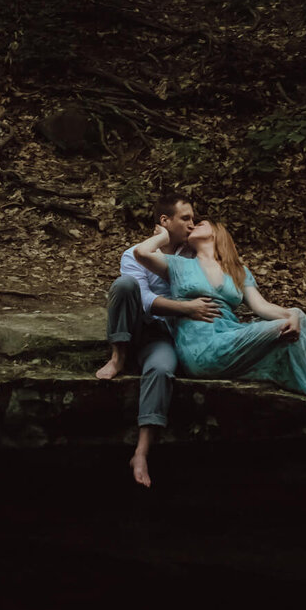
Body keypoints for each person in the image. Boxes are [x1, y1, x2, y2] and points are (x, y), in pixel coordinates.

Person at [143, 218, 306, 400]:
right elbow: (140, 252)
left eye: (202, 223)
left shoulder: (238, 271)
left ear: (218, 234)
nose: (194, 224)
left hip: (231, 337)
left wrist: (293, 316)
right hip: (200, 349)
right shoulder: (177, 264)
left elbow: (261, 307)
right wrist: (164, 236)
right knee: (286, 323)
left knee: (294, 316)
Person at [96, 192, 224, 489]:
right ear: (165, 222)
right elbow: (143, 301)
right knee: (124, 285)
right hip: (136, 329)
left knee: (162, 369)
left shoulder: (193, 256)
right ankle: (118, 357)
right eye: (186, 218)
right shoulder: (133, 254)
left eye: (193, 218)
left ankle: (141, 453)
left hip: (164, 336)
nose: (192, 224)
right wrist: (187, 308)